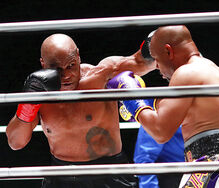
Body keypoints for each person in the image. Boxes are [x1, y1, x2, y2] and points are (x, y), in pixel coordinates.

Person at [6, 33, 156, 188]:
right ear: (43, 64)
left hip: (109, 174)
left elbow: (143, 62)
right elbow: (16, 142)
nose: (66, 76)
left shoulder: (102, 75)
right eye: (57, 69)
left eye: (70, 66)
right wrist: (28, 104)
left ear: (78, 56)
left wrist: (157, 40)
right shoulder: (39, 94)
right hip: (61, 177)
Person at [108, 25, 219, 187]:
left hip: (218, 164)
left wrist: (132, 97)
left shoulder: (187, 73)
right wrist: (144, 102)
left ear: (169, 51)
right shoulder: (206, 68)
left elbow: (161, 132)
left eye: (157, 61)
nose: (159, 70)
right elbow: (171, 112)